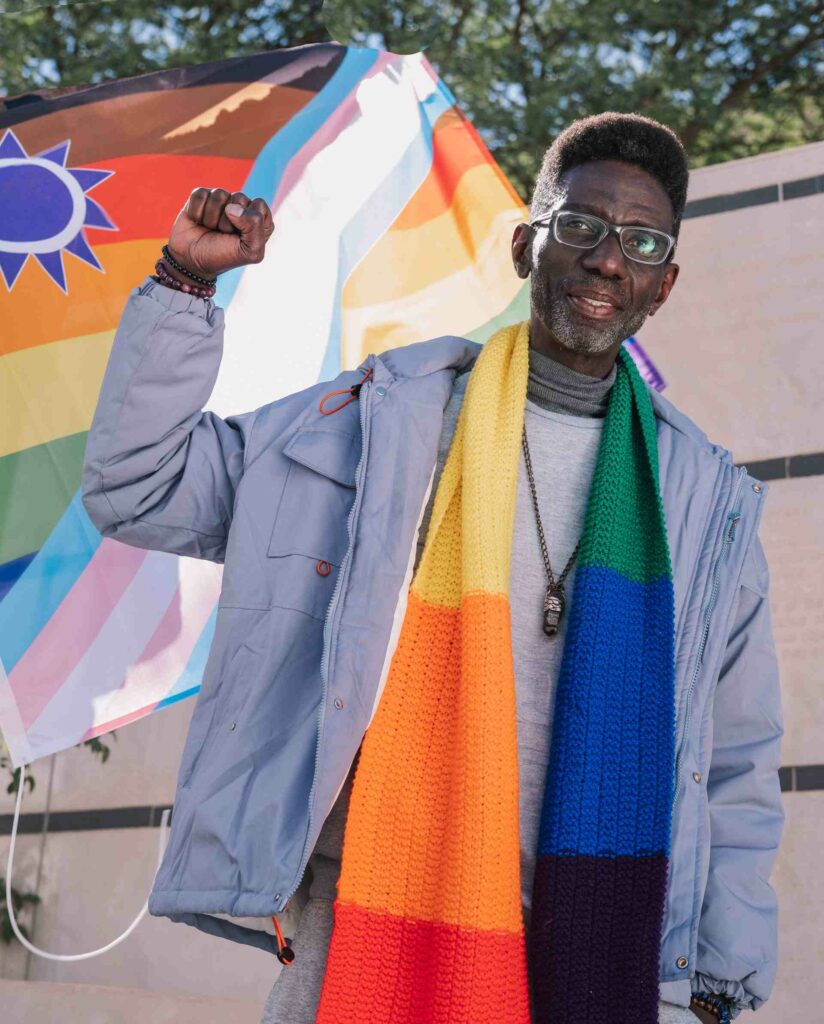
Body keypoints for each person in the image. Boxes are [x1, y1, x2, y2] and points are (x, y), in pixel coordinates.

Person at [81, 112, 784, 1024]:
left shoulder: (705, 502)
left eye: (642, 242)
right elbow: (138, 488)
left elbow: (736, 764)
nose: (609, 260)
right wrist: (184, 286)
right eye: (581, 227)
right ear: (529, 246)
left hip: (597, 949)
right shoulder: (377, 424)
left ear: (666, 281)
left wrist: (721, 983)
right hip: (363, 925)